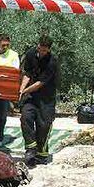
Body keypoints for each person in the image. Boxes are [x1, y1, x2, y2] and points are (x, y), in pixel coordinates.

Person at [19, 35, 58, 167]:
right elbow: (27, 73)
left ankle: (41, 154)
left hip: (46, 98)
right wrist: (21, 89)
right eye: (40, 49)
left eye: (45, 51)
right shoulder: (30, 54)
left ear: (49, 50)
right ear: (38, 46)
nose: (42, 52)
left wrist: (25, 91)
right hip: (31, 96)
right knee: (25, 117)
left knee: (44, 125)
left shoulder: (52, 61)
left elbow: (41, 83)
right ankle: (30, 149)